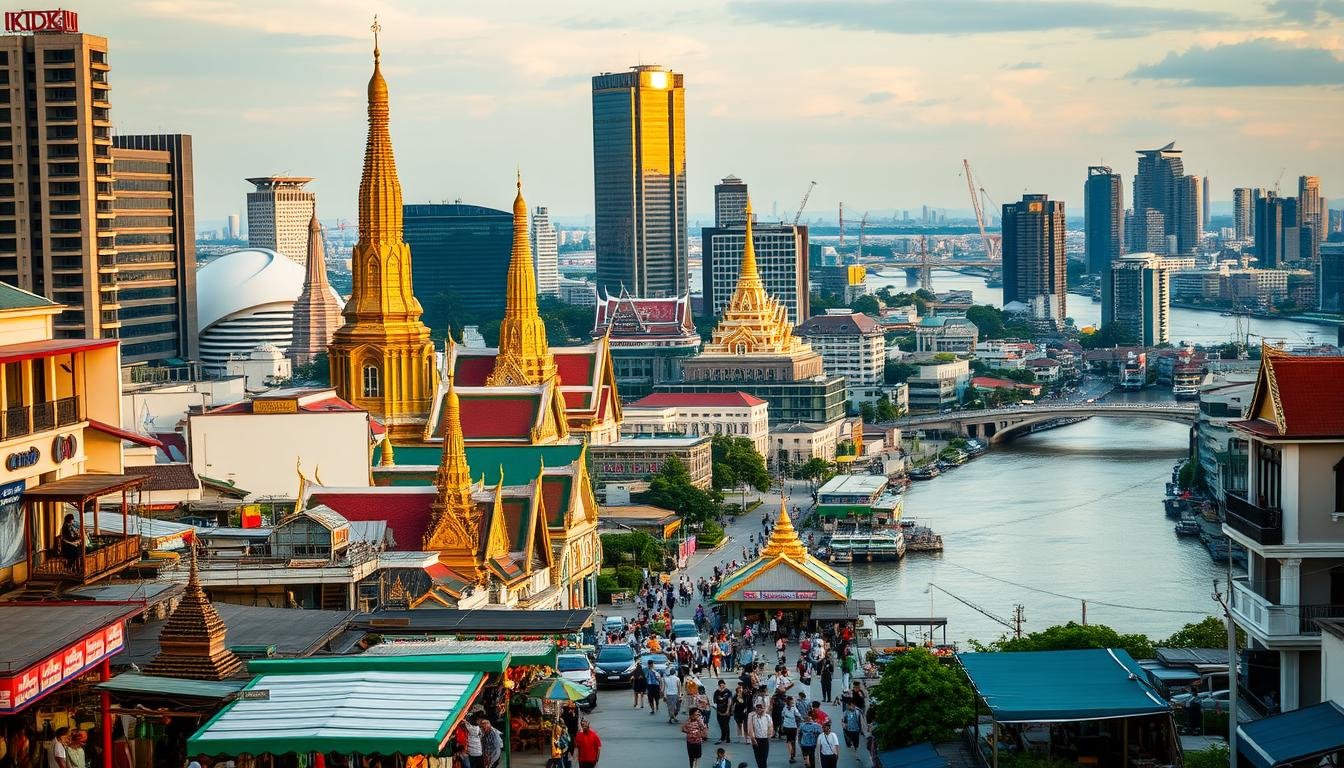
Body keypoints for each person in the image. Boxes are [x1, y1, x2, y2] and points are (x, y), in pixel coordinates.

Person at [747, 702, 774, 768]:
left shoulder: (767, 717)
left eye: (760, 708)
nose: (758, 710)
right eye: (757, 708)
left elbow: (770, 727)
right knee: (758, 758)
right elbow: (750, 728)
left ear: (763, 709)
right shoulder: (753, 717)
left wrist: (769, 736)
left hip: (765, 739)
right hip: (756, 739)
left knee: (764, 757)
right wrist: (753, 739)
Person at [713, 680, 734, 744]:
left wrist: (728, 710)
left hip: (726, 710)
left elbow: (730, 701)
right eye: (720, 685)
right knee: (721, 724)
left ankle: (727, 738)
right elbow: (715, 701)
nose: (722, 686)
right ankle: (723, 737)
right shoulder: (716, 692)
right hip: (719, 710)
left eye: (723, 684)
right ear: (718, 685)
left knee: (726, 724)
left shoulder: (728, 691)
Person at [780, 695, 800, 763]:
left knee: (788, 741)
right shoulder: (794, 708)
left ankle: (791, 755)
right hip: (793, 726)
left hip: (786, 726)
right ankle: (793, 755)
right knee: (793, 741)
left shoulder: (784, 708)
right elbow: (798, 715)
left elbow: (782, 715)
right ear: (791, 701)